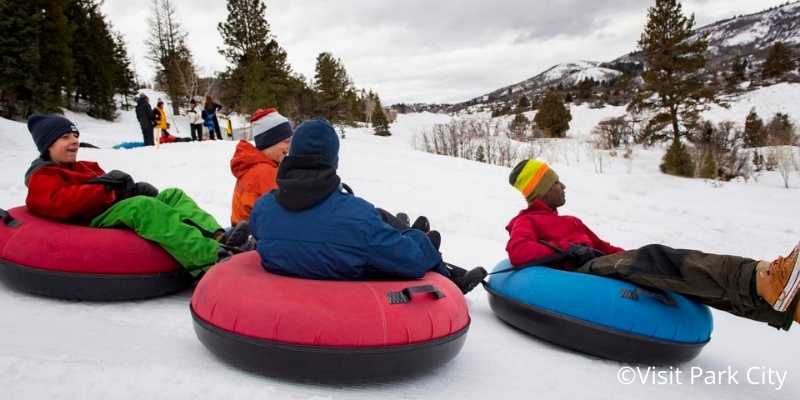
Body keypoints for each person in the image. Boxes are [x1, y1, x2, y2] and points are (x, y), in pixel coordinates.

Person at [504, 159, 800, 330]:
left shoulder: (571, 221)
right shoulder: (527, 221)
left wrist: (631, 255)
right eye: (557, 183)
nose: (564, 186)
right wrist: (564, 251)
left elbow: (606, 247)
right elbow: (518, 252)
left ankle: (786, 305)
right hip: (581, 272)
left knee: (677, 273)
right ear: (542, 191)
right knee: (656, 258)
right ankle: (764, 279)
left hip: (598, 262)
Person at [250, 118, 486, 293]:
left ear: (292, 157)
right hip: (349, 304)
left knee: (378, 223)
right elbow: (411, 262)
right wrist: (419, 241)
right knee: (415, 241)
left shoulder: (262, 209)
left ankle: (400, 232)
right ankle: (448, 279)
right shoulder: (356, 216)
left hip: (285, 299)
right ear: (334, 161)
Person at [23, 114, 249, 279]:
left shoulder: (84, 166)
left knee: (172, 195)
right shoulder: (44, 175)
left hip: (107, 209)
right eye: (64, 137)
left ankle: (219, 237)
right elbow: (59, 203)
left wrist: (130, 188)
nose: (74, 141)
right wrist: (106, 190)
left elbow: (111, 190)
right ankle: (210, 257)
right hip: (90, 219)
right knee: (142, 207)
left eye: (75, 135)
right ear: (47, 145)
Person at [230, 108, 292, 226]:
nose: (288, 147)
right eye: (285, 141)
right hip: (253, 238)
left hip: (242, 233)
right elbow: (278, 214)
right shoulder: (263, 171)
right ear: (270, 141)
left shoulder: (257, 165)